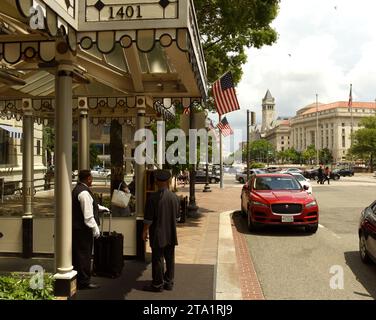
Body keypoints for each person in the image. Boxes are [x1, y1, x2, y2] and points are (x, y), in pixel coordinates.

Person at [142, 169, 180, 292]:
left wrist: (144, 231)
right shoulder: (175, 198)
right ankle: (169, 282)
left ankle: (157, 284)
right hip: (171, 233)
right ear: (169, 181)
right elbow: (177, 218)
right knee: (170, 258)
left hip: (158, 234)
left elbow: (148, 219)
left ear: (157, 181)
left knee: (158, 258)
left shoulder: (152, 198)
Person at [72, 169, 110, 290]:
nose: (92, 180)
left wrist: (101, 208)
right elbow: (88, 216)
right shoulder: (84, 193)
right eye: (91, 178)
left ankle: (79, 279)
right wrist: (95, 229)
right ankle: (84, 282)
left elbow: (91, 205)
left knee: (79, 255)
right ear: (88, 178)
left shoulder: (78, 189)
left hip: (77, 230)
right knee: (84, 256)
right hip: (83, 231)